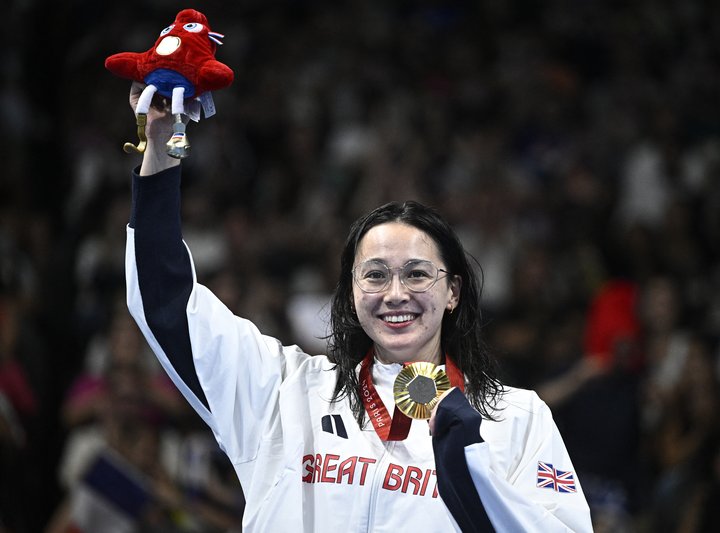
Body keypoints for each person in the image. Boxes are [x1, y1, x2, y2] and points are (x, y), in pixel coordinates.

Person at [123, 81, 592, 532]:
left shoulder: (514, 419)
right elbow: (166, 302)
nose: (395, 294)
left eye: (417, 273)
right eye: (374, 274)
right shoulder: (283, 391)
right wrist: (161, 149)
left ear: (453, 292)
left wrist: (473, 468)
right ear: (349, 293)